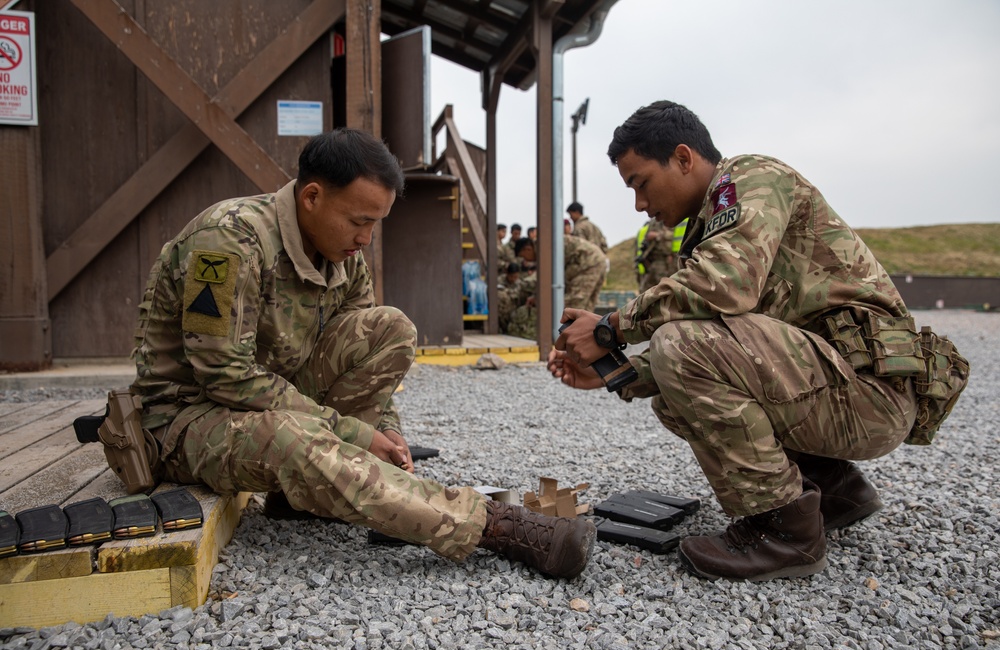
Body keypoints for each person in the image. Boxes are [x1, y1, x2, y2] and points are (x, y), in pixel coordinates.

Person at [130, 128, 595, 579]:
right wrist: (351, 433)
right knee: (295, 439)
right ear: (311, 197)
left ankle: (302, 496)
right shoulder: (229, 240)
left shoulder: (342, 257)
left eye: (376, 223)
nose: (367, 239)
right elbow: (225, 376)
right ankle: (495, 526)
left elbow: (367, 360)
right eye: (359, 221)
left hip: (276, 401)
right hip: (186, 419)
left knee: (391, 329)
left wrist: (388, 434)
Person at [547, 101, 967, 582]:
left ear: (683, 158)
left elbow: (724, 287)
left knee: (678, 346)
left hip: (871, 392)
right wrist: (617, 371)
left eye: (640, 182)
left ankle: (785, 531)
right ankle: (834, 490)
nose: (639, 204)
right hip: (846, 386)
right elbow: (734, 349)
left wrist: (610, 327)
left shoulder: (749, 177)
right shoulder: (712, 223)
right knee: (672, 382)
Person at [634, 216, 677, 292]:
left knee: (662, 288)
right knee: (645, 290)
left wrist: (657, 235)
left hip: (663, 260)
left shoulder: (670, 219)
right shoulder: (653, 222)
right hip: (651, 262)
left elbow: (671, 236)